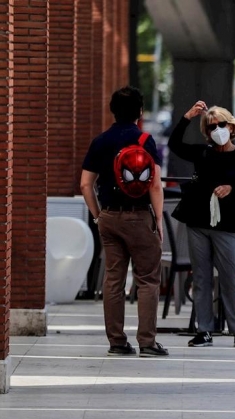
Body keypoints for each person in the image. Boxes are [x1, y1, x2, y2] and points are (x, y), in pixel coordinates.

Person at [80, 85, 168, 357]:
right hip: (140, 217)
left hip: (109, 216)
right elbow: (154, 185)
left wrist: (98, 215)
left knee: (113, 279)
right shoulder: (144, 141)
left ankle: (117, 342)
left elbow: (85, 184)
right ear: (140, 112)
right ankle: (147, 342)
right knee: (148, 280)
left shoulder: (100, 141)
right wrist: (158, 220)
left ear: (112, 111)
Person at [168, 101, 235, 348]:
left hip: (227, 226)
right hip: (198, 222)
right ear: (206, 132)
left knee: (229, 278)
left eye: (221, 125)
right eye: (211, 127)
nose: (217, 130)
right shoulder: (203, 153)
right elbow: (174, 145)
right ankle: (204, 330)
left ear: (231, 126)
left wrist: (232, 188)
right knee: (201, 278)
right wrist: (186, 116)